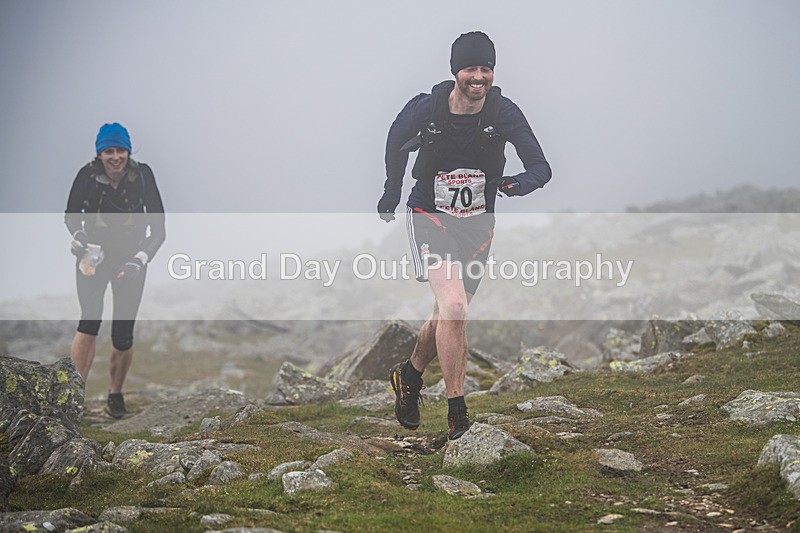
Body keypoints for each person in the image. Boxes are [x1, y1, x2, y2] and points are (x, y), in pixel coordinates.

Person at [379, 31, 551, 440]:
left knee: (446, 313)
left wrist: (517, 184)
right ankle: (458, 413)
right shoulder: (428, 108)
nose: (479, 76)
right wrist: (391, 191)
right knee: (455, 307)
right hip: (430, 216)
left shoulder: (503, 112)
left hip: (477, 225)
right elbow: (395, 143)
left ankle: (409, 376)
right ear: (456, 71)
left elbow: (541, 168)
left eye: (486, 68)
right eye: (471, 68)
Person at [65, 123, 166, 418]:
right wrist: (81, 240)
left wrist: (140, 259)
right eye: (109, 151)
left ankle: (115, 395)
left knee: (123, 334)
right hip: (93, 259)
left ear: (128, 152)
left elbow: (159, 230)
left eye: (120, 150)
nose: (115, 156)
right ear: (100, 154)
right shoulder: (86, 175)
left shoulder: (143, 176)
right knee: (89, 321)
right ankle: (73, 397)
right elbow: (70, 216)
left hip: (130, 262)